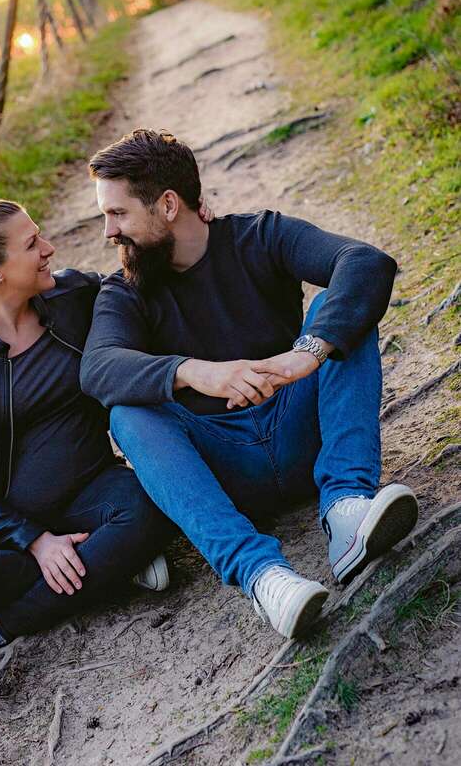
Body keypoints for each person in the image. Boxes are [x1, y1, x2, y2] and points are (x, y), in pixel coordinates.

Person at [80, 129, 419, 640]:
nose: (109, 231)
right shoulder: (125, 291)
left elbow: (365, 262)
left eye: (119, 213)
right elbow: (98, 367)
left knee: (338, 312)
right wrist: (196, 371)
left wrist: (306, 355)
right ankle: (263, 577)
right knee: (128, 414)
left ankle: (348, 509)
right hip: (227, 468)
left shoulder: (259, 235)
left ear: (168, 204)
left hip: (301, 430)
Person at [0, 199, 176, 686]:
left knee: (151, 508)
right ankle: (109, 564)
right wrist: (36, 541)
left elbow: (136, 289)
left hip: (95, 493)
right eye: (31, 245)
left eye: (39, 236)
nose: (48, 249)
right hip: (8, 523)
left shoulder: (75, 296)